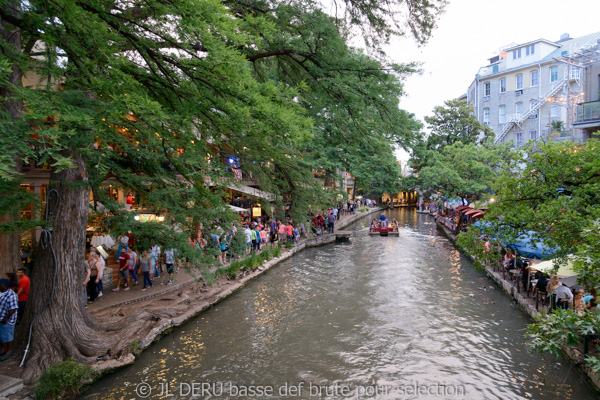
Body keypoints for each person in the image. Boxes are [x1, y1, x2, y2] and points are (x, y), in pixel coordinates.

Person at [0, 278, 18, 361]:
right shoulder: (1, 293)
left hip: (7, 319)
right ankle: (2, 349)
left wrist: (6, 318)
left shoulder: (12, 295)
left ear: (5, 285)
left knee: (8, 335)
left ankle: (9, 350)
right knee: (2, 335)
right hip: (1, 317)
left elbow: (13, 309)